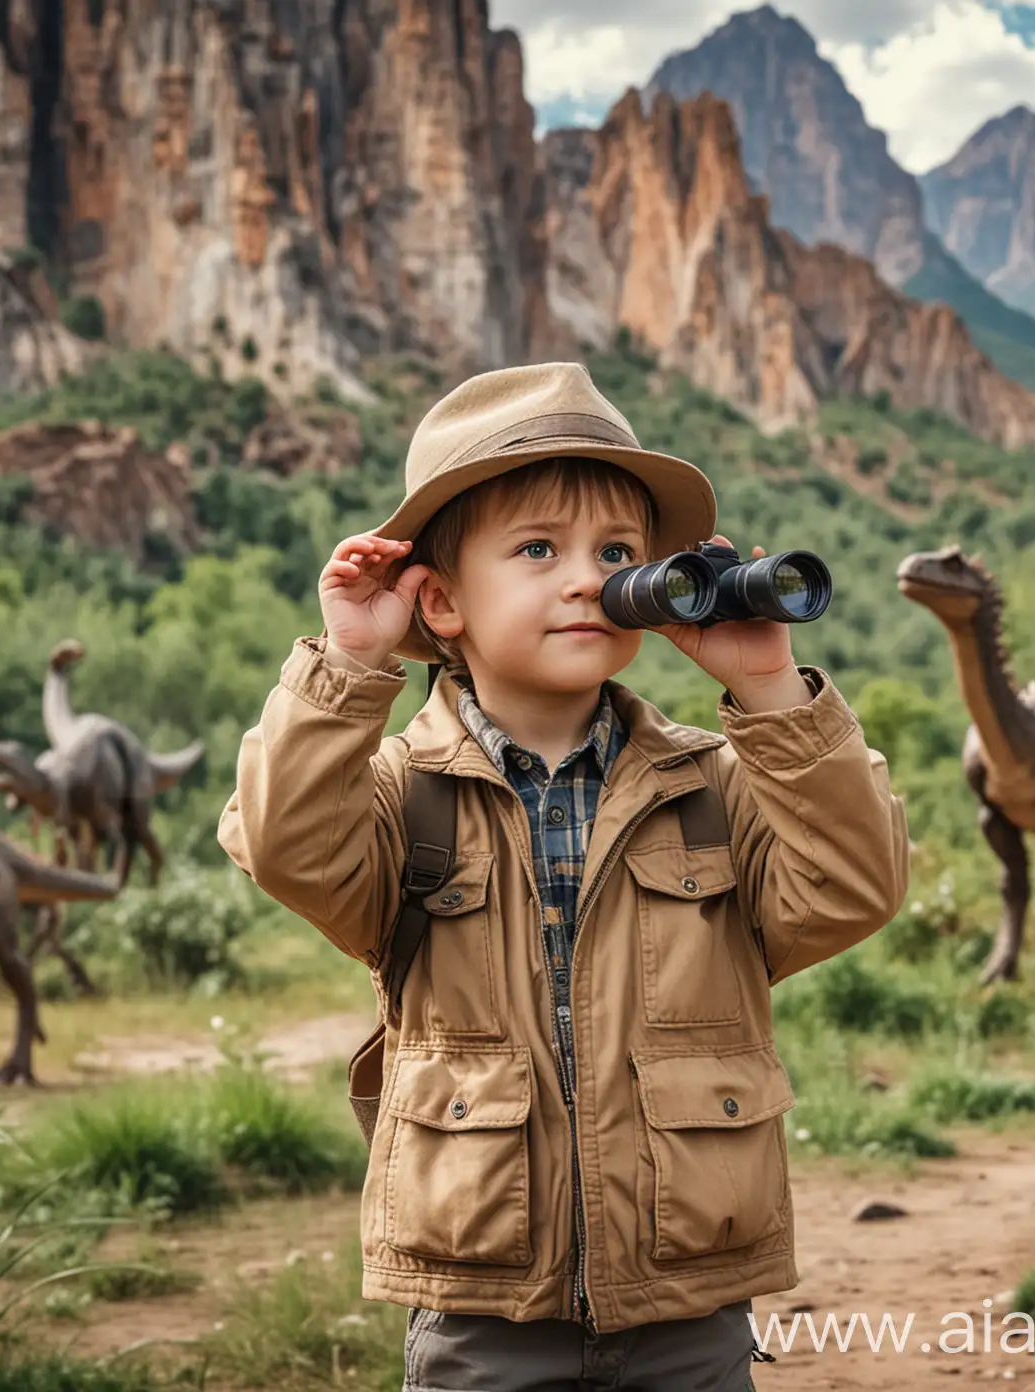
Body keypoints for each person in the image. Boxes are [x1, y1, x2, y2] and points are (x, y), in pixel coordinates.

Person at [217, 361, 909, 1390]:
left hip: (690, 1303)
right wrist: (351, 665)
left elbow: (854, 885)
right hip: (483, 1310)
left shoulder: (713, 782)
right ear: (440, 602)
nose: (588, 577)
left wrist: (770, 692)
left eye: (619, 553)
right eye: (539, 549)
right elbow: (286, 844)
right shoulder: (403, 793)